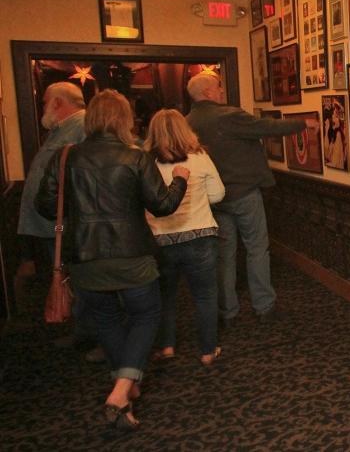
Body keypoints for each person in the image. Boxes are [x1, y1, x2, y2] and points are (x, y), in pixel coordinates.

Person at [36, 90, 188, 429]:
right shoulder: (135, 157)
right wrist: (179, 180)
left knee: (106, 320)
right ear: (123, 120)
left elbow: (45, 207)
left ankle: (125, 393)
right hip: (132, 256)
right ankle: (122, 390)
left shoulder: (65, 157)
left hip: (85, 259)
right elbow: (162, 205)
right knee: (146, 314)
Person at [186, 73, 311, 324]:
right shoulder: (227, 116)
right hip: (244, 193)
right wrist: (303, 123)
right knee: (256, 248)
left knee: (225, 253)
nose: (222, 91)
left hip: (213, 198)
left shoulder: (185, 123)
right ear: (209, 92)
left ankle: (227, 310)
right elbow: (266, 127)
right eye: (219, 87)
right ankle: (264, 306)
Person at [15, 82, 101, 358]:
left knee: (87, 282)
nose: (42, 108)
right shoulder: (60, 131)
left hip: (72, 224)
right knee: (73, 281)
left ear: (58, 103)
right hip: (56, 224)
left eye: (44, 103)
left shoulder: (83, 126)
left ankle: (99, 337)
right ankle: (85, 332)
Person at [143, 110, 224, 366]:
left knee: (165, 295)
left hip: (161, 239)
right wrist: (197, 200)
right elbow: (218, 194)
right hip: (199, 235)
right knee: (205, 295)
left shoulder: (145, 162)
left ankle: (167, 346)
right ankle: (208, 350)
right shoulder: (199, 158)